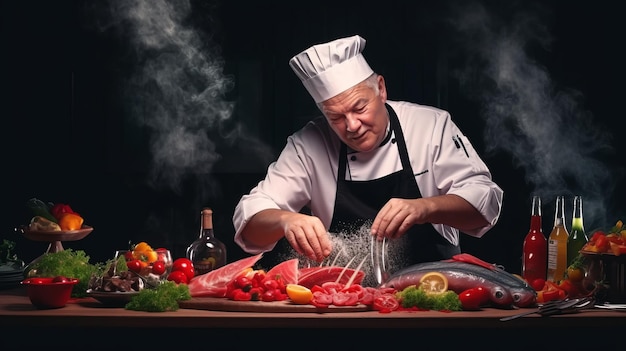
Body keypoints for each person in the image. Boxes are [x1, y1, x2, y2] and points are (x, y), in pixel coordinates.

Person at [233, 35, 503, 283]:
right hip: (347, 300)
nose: (352, 125)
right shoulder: (308, 143)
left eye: (359, 108)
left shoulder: (431, 126)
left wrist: (425, 208)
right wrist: (285, 220)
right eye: (335, 117)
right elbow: (250, 222)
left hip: (433, 295)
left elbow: (484, 203)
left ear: (381, 89)